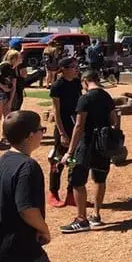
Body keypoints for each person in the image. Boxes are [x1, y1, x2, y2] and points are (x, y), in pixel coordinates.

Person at [0, 110, 62, 262]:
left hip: (2, 251)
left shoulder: (3, 161)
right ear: (29, 135)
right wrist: (44, 230)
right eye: (40, 129)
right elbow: (26, 208)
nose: (42, 133)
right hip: (21, 253)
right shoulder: (27, 166)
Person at [59, 69, 117, 233]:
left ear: (85, 81)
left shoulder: (85, 98)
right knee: (99, 178)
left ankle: (81, 219)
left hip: (86, 143)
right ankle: (96, 215)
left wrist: (70, 151)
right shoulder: (106, 96)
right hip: (102, 144)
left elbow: (79, 125)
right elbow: (114, 120)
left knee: (77, 180)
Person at [48, 57, 81, 208]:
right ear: (64, 69)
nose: (76, 69)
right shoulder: (57, 86)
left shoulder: (77, 82)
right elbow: (56, 111)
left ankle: (70, 194)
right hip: (63, 126)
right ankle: (53, 192)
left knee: (74, 160)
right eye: (73, 66)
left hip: (76, 125)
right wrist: (62, 133)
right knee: (58, 160)